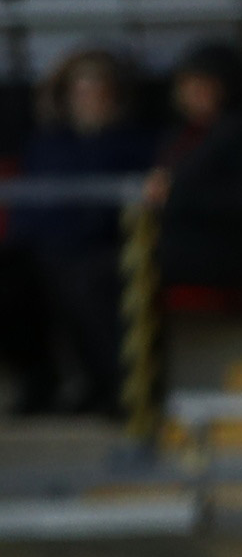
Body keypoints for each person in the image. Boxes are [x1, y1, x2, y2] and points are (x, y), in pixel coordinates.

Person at [7, 49, 158, 414]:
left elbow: (127, 206)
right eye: (80, 90)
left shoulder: (137, 142)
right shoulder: (46, 144)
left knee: (86, 281)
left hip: (106, 247)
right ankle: (38, 382)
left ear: (115, 95)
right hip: (46, 249)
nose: (88, 99)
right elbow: (29, 205)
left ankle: (115, 389)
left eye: (98, 90)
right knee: (10, 283)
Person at [149, 41, 242, 301]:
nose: (194, 93)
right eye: (188, 85)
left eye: (204, 85)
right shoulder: (178, 136)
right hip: (175, 242)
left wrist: (175, 193)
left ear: (227, 86)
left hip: (226, 249)